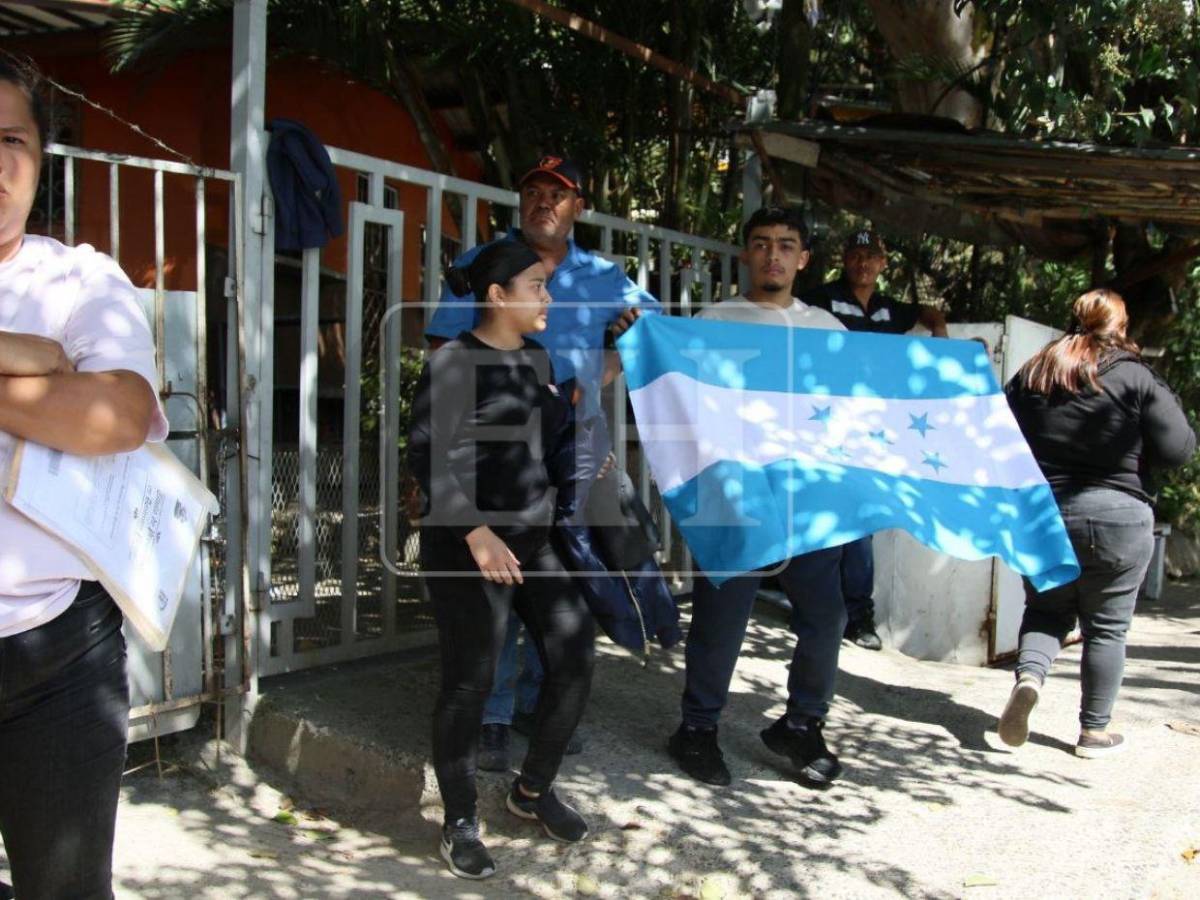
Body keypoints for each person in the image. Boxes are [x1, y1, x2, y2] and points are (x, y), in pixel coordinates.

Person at [425, 156, 659, 771]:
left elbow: (656, 333)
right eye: (532, 191)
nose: (543, 202)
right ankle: (494, 717)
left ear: (578, 206)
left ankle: (537, 701)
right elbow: (442, 347)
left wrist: (604, 366)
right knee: (500, 585)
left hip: (576, 455)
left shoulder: (606, 276)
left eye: (557, 193)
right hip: (496, 460)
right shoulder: (487, 264)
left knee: (569, 577)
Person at [0, 53, 169, 898]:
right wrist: (32, 362)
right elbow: (64, 400)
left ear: (41, 155)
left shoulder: (78, 276)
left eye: (13, 140)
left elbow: (116, 417)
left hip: (59, 650)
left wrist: (63, 376)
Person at [409, 240, 596, 880]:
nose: (548, 297)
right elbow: (427, 459)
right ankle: (459, 819)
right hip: (466, 543)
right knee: (472, 679)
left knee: (575, 653)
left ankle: (532, 792)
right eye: (537, 286)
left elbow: (545, 447)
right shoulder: (454, 362)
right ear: (498, 296)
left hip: (532, 540)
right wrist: (477, 532)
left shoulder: (538, 356)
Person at [667, 206, 851, 788]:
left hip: (810, 500)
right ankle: (696, 730)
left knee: (827, 616)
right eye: (762, 243)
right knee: (723, 619)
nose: (774, 254)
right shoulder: (714, 319)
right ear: (746, 254)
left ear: (804, 258)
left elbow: (857, 406)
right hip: (736, 493)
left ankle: (801, 724)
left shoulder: (829, 329)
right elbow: (688, 402)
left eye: (786, 244)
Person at [996, 289, 1194, 758]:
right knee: (1107, 628)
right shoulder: (1136, 375)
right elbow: (1178, 450)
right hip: (1119, 517)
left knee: (1046, 610)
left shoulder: (1035, 371)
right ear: (1120, 327)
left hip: (1045, 513)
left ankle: (1029, 678)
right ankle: (1093, 732)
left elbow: (1000, 435)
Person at [802, 229, 950, 651]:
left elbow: (928, 313)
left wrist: (941, 334)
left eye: (871, 256)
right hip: (825, 422)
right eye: (855, 255)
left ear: (882, 264)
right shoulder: (822, 299)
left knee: (862, 521)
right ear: (844, 259)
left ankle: (858, 616)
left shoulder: (891, 309)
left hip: (873, 428)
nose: (862, 263)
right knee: (824, 518)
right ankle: (817, 609)